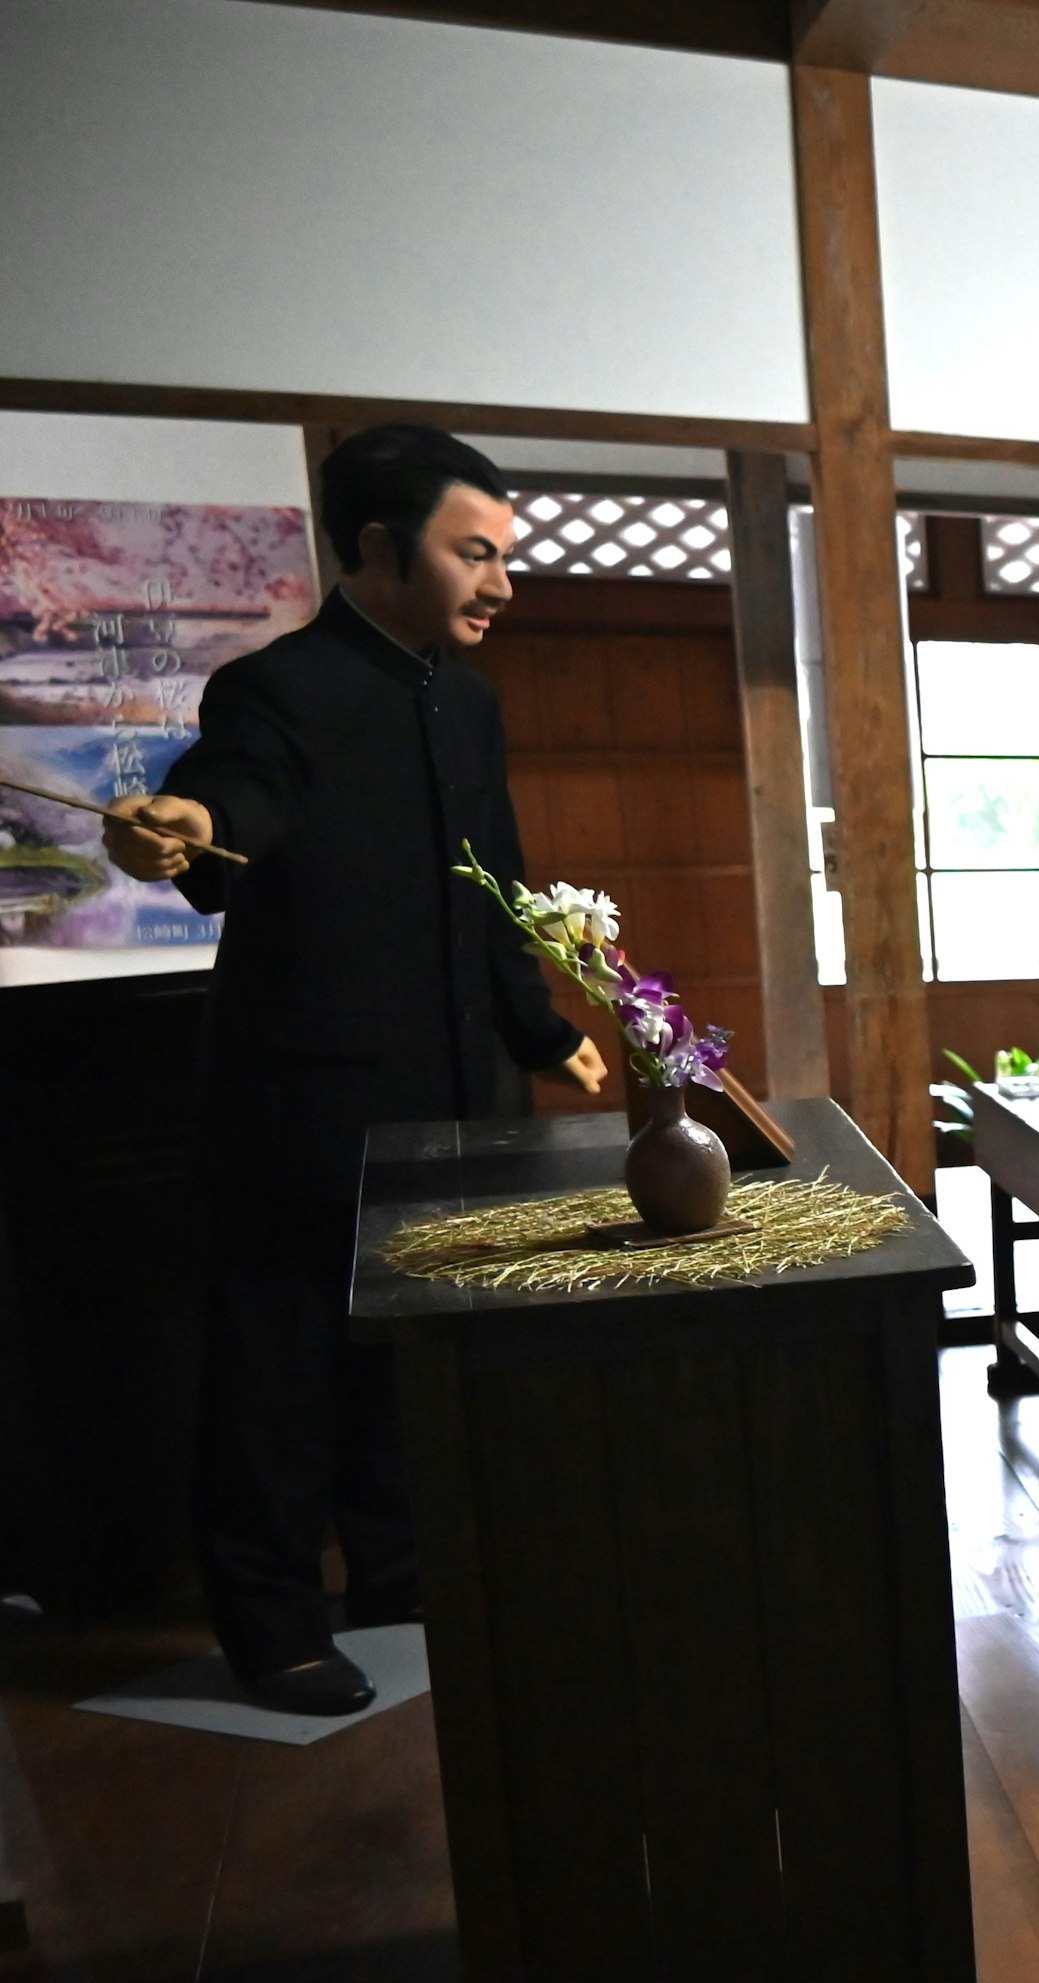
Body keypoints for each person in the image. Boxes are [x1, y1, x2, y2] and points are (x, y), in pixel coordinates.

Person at [101, 422, 602, 1719]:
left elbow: (499, 883)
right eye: (473, 554)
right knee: (277, 1368)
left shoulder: (468, 696)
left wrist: (541, 1029)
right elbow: (235, 791)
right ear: (380, 548)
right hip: (304, 1102)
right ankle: (269, 1624)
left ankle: (398, 1572)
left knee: (412, 1358)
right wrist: (193, 825)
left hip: (455, 1089)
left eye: (504, 556)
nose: (501, 584)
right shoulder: (280, 688)